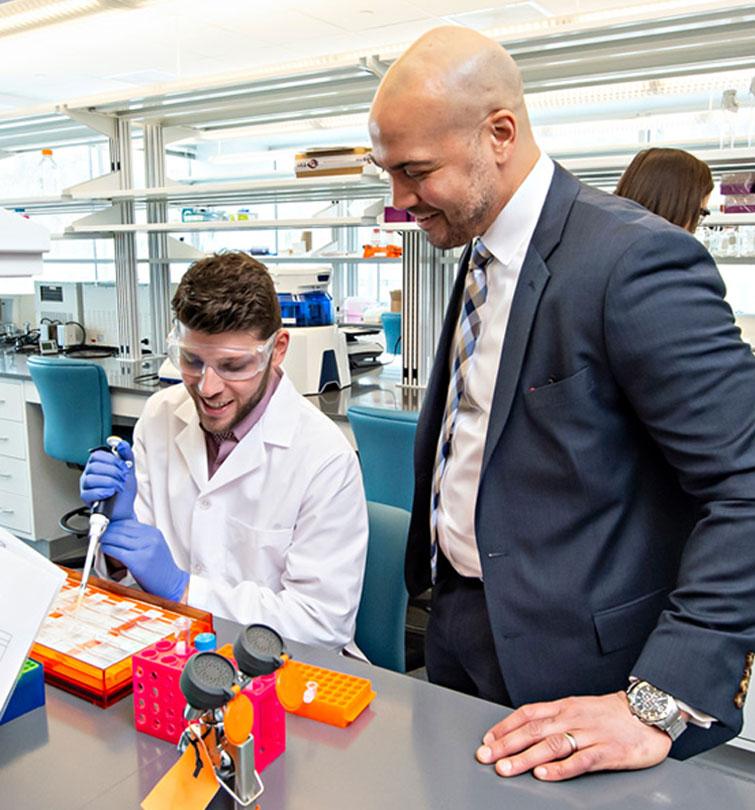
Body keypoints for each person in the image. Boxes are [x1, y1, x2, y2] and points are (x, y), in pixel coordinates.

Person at [368, 26, 755, 781]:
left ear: (499, 134)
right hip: (460, 625)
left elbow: (744, 484)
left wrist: (660, 697)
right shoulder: (479, 244)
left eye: (415, 171)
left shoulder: (631, 261)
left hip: (587, 669)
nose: (399, 199)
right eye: (388, 173)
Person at [80, 251, 368, 651]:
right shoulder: (160, 414)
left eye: (233, 366)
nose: (207, 387)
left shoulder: (325, 458)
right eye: (192, 360)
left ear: (278, 348)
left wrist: (184, 590)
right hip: (167, 650)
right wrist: (113, 541)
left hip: (280, 673)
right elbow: (127, 583)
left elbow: (320, 625)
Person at [615, 147, 714, 233]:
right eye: (700, 213)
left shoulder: (611, 242)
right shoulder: (665, 251)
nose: (694, 228)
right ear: (675, 207)